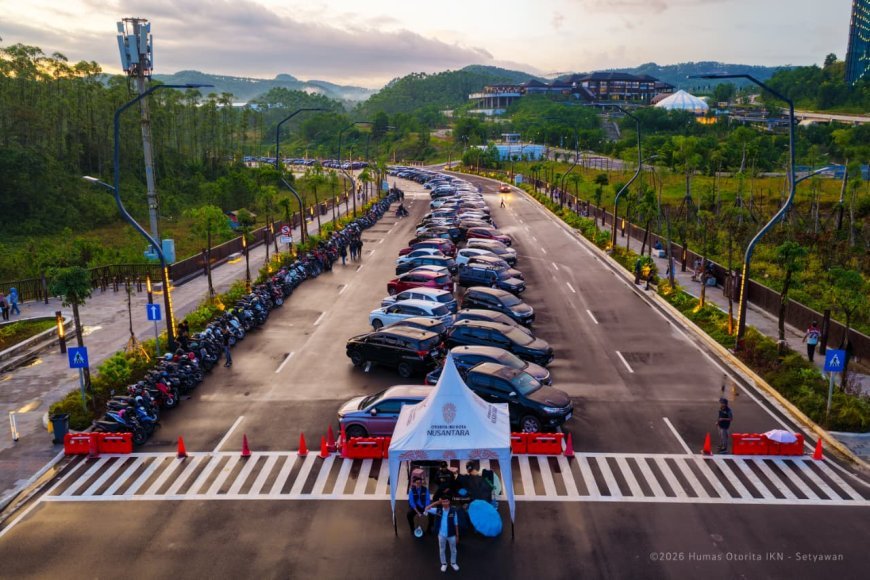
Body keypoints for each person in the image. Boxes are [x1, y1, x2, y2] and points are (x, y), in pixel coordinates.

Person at [425, 495, 460, 572]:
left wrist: (457, 536)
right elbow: (426, 508)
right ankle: (444, 564)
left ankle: (453, 563)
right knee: (442, 549)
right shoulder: (438, 510)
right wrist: (437, 502)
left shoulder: (453, 512)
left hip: (451, 535)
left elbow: (456, 524)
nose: (445, 503)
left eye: (446, 501)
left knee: (453, 550)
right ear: (442, 502)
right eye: (443, 501)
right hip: (441, 535)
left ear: (449, 502)